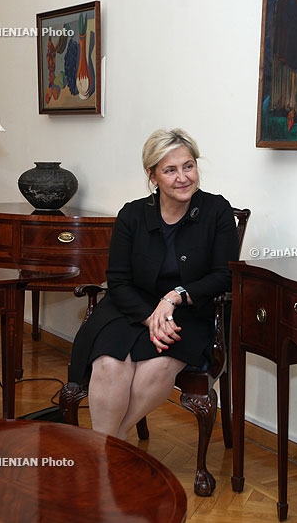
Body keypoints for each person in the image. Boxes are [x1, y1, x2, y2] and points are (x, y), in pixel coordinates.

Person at [68, 128, 239, 439]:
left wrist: (175, 297)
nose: (183, 177)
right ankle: (109, 451)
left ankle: (104, 448)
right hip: (130, 308)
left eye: (188, 166)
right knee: (108, 364)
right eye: (170, 170)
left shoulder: (217, 211)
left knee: (153, 370)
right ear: (152, 175)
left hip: (189, 313)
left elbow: (223, 276)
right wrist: (151, 317)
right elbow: (118, 281)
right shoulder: (132, 215)